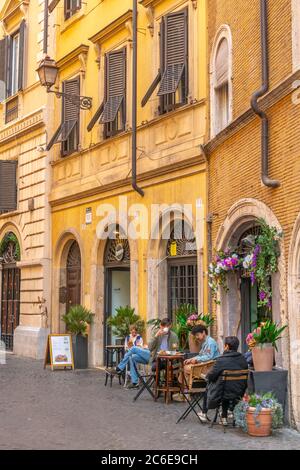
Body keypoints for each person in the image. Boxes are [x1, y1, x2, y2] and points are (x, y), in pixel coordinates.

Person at [198, 336, 248, 425]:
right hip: (238, 392)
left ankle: (204, 413)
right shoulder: (243, 359)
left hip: (221, 393)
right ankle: (225, 415)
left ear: (227, 346)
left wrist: (206, 376)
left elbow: (211, 376)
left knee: (210, 385)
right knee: (226, 385)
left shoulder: (222, 359)